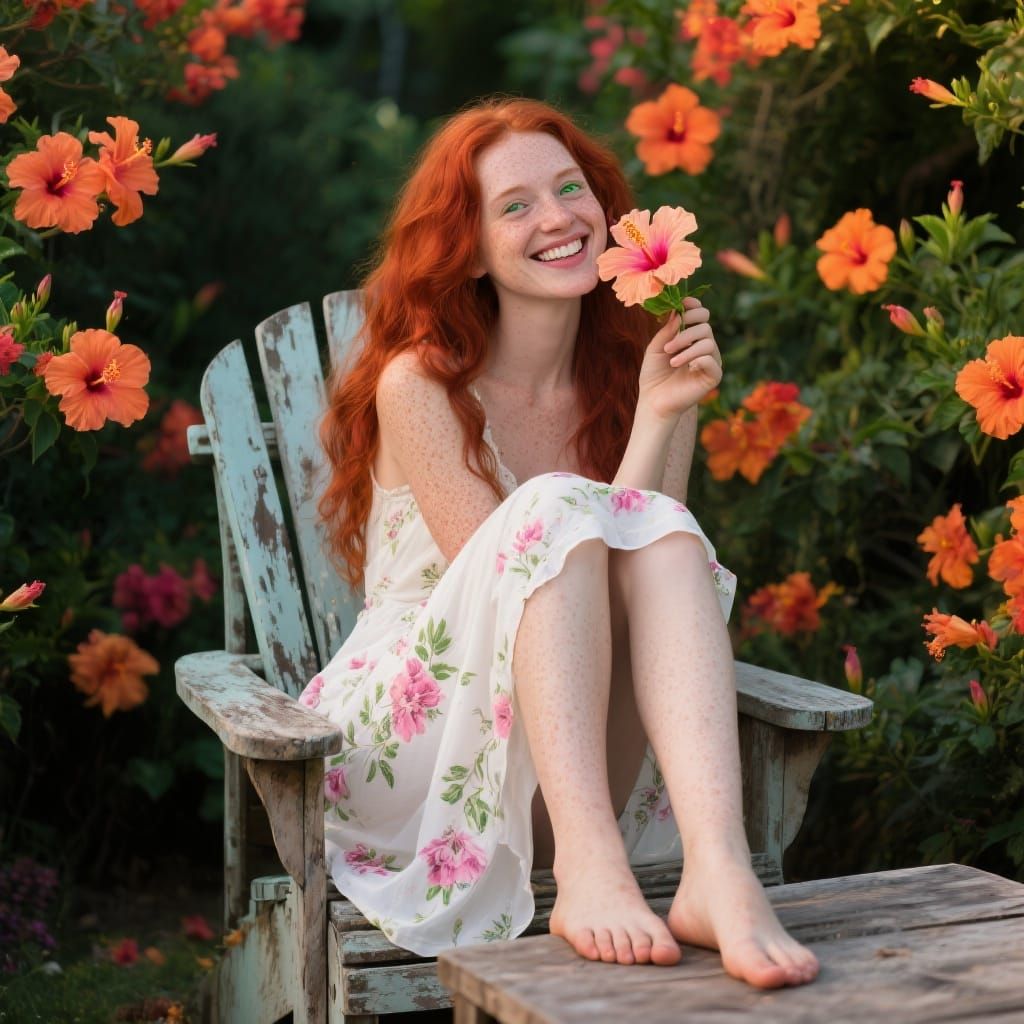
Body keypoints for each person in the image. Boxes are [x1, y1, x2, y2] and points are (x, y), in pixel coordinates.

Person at [307, 96, 819, 988]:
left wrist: (658, 415)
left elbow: (636, 580)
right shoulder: (419, 385)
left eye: (570, 188)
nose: (557, 218)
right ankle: (586, 872)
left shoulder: (635, 376)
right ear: (464, 246)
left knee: (665, 539)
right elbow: (510, 588)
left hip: (572, 755)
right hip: (423, 756)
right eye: (514, 205)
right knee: (556, 514)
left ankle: (718, 872)